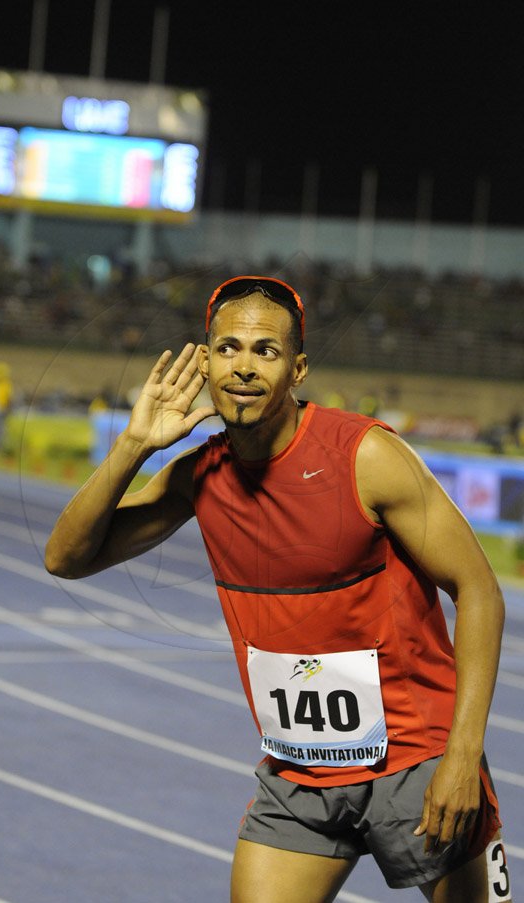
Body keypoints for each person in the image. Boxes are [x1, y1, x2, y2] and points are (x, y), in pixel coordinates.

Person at [45, 276, 510, 901]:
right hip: (299, 772)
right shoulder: (199, 475)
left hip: (418, 759)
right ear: (204, 360)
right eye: (229, 348)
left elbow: (479, 589)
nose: (243, 366)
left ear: (298, 368)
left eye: (265, 351)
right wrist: (134, 445)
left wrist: (462, 758)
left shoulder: (364, 457)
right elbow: (65, 558)